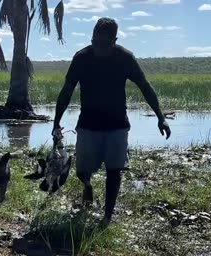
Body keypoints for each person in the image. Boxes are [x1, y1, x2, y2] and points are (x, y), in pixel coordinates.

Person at [52, 17, 171, 226]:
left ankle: (107, 217)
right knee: (82, 171)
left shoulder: (124, 58)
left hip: (117, 125)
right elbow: (67, 90)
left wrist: (161, 117)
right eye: (95, 42)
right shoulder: (81, 58)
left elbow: (145, 86)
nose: (98, 48)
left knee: (114, 171)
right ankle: (87, 186)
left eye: (103, 44)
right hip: (88, 124)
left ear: (114, 40)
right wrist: (56, 123)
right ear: (92, 38)